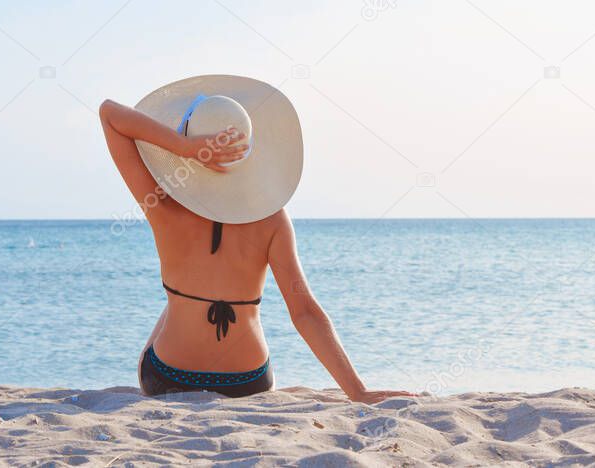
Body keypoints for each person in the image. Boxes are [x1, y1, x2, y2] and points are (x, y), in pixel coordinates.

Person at [98, 75, 415, 403]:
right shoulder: (273, 219)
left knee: (176, 305)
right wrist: (357, 392)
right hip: (247, 381)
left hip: (170, 378)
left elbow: (109, 114)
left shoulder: (163, 206)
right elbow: (304, 312)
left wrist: (185, 148)